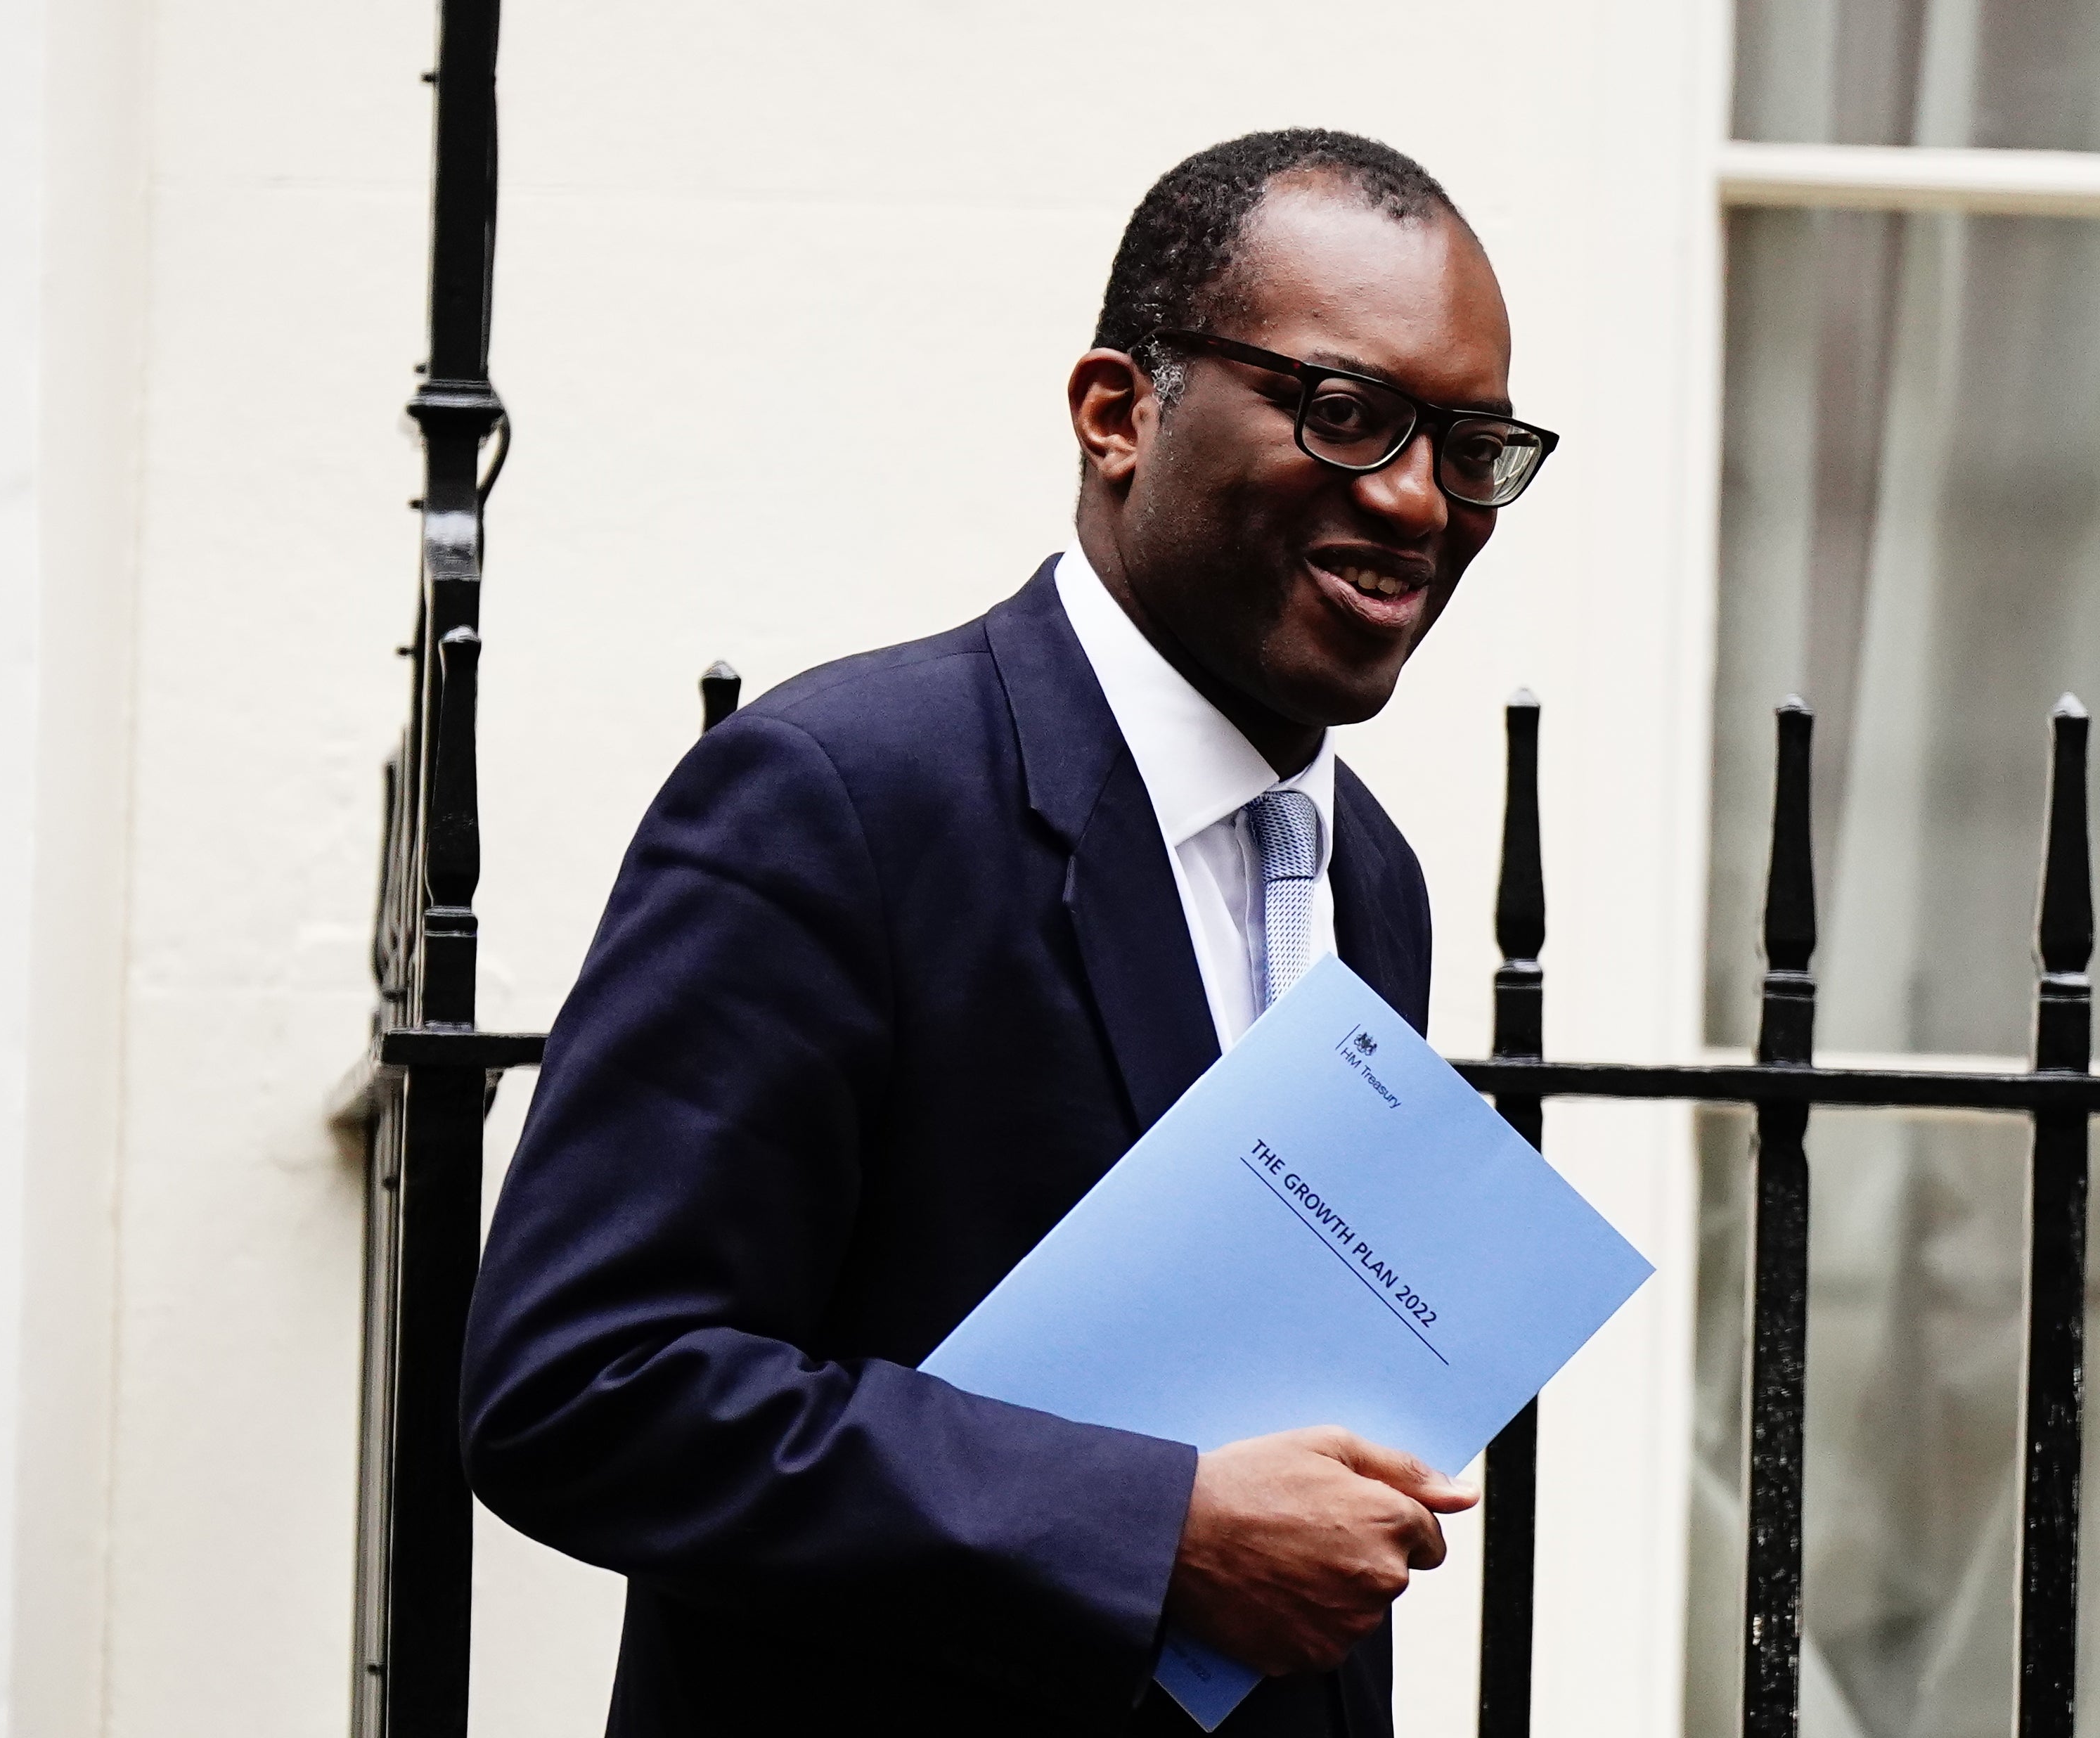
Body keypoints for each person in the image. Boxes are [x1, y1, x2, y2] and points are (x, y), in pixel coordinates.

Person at [460, 127, 1559, 1738]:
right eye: (1343, 414)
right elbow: (580, 1388)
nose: (1414, 498)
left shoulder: (1368, 877)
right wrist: (1156, 1529)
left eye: (1470, 447)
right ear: (1118, 411)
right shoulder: (841, 797)